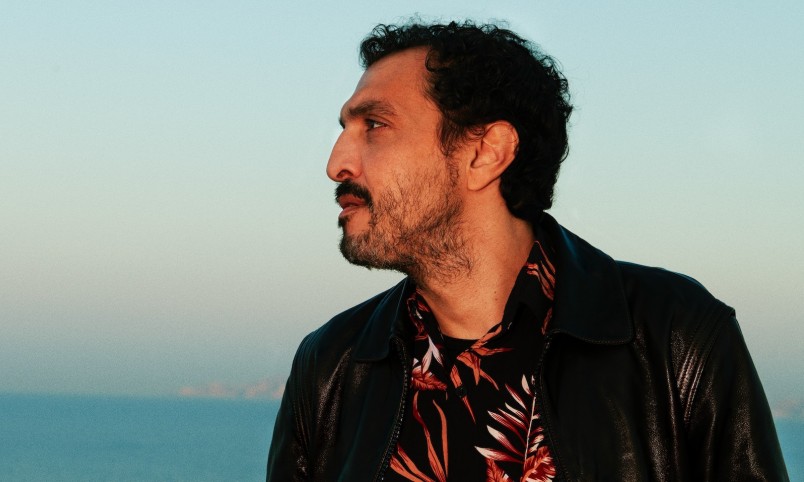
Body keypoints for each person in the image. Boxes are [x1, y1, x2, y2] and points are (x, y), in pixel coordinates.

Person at [267, 20, 788, 481]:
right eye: (344, 129)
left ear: (485, 152)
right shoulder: (331, 365)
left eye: (375, 126)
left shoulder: (674, 335)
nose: (336, 164)